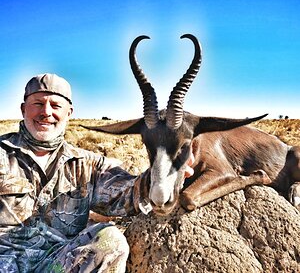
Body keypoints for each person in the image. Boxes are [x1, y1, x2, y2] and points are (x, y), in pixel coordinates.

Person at [0, 73, 194, 273]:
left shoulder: (88, 164)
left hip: (57, 264)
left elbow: (129, 193)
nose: (46, 112)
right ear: (23, 109)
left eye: (56, 105)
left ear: (69, 113)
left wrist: (166, 172)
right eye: (38, 104)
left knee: (110, 240)